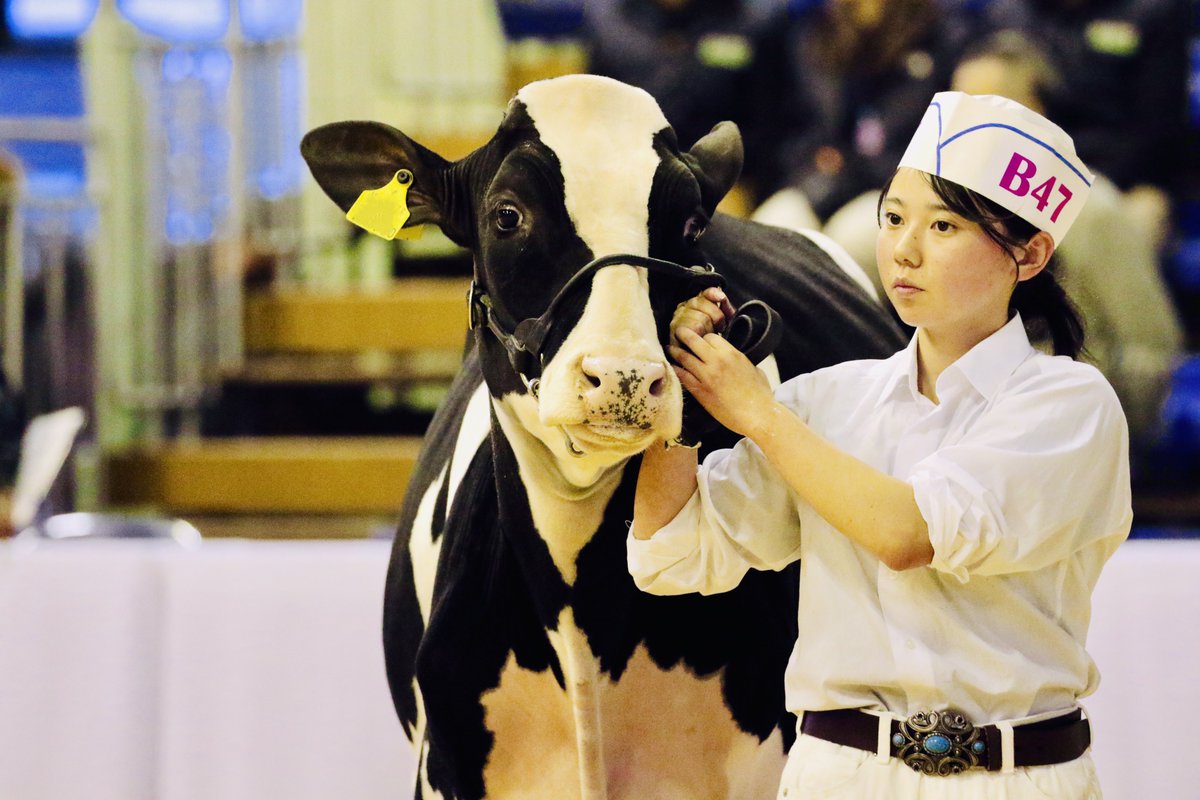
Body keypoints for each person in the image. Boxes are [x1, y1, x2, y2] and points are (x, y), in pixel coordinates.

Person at [629, 92, 1132, 798]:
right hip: (837, 774)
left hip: (1017, 778)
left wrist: (759, 415)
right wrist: (677, 398)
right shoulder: (826, 399)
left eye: (945, 225)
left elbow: (909, 533)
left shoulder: (1070, 404)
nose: (904, 248)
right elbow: (670, 554)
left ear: (1032, 253)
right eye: (893, 217)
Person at [950, 31, 1185, 471]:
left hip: (1068, 429)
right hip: (971, 430)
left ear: (1035, 113)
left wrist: (1108, 432)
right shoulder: (947, 213)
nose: (970, 126)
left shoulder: (1090, 211)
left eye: (989, 109)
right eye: (961, 109)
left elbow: (1150, 345)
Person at [751, 0, 977, 276]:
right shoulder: (814, 33)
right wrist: (812, 155)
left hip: (898, 184)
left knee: (850, 245)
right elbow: (788, 124)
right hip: (820, 181)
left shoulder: (943, 36)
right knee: (770, 232)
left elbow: (944, 135)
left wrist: (868, 168)